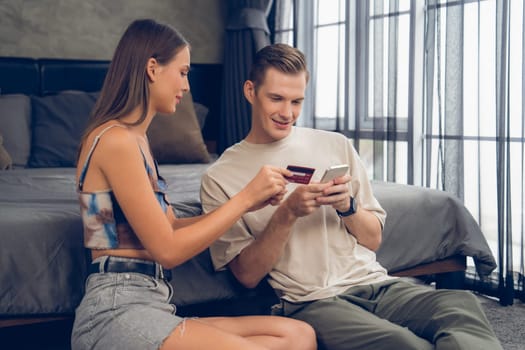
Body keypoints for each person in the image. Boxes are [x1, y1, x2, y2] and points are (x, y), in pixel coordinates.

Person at [200, 43, 503, 350]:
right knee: (402, 344)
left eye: (297, 101)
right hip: (312, 301)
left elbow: (372, 240)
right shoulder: (221, 176)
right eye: (276, 98)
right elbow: (246, 275)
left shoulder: (335, 144)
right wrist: (286, 214)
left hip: (376, 283)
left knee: (460, 307)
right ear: (250, 91)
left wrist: (348, 207)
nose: (287, 113)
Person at [71, 20, 317, 350]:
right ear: (153, 69)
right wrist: (243, 199)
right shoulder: (115, 141)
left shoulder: (136, 140)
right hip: (116, 309)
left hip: (153, 302)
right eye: (183, 72)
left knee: (297, 335)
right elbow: (168, 251)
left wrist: (251, 205)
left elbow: (169, 226)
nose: (187, 86)